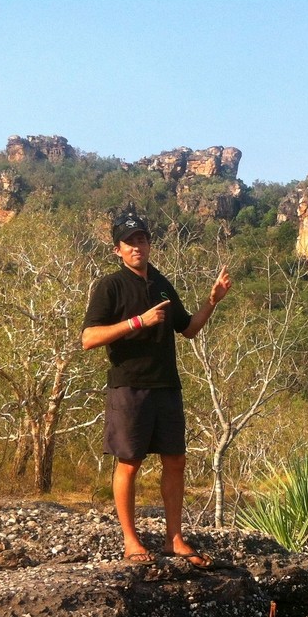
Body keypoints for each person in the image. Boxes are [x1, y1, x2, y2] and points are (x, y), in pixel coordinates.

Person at [82, 204, 231, 567]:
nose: (137, 247)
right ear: (118, 249)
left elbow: (189, 329)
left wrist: (212, 301)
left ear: (149, 245)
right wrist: (138, 322)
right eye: (130, 242)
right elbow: (88, 338)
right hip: (129, 387)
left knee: (175, 460)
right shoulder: (111, 285)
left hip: (167, 386)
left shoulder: (162, 283)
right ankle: (131, 542)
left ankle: (174, 539)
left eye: (142, 240)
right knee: (129, 463)